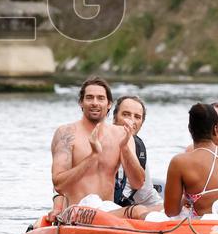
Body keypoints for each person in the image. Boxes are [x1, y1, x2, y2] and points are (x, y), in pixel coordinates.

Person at [49, 77, 138, 217]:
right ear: (81, 102)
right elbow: (59, 185)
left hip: (107, 213)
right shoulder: (66, 133)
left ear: (109, 104)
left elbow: (137, 183)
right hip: (75, 214)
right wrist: (93, 156)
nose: (95, 103)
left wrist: (125, 149)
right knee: (137, 211)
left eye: (100, 98)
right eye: (89, 98)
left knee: (149, 209)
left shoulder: (122, 134)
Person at [112, 96, 164, 218]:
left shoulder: (138, 148)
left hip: (123, 210)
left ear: (141, 123)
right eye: (126, 114)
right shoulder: (100, 141)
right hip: (100, 209)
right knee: (137, 211)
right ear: (114, 117)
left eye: (137, 117)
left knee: (176, 207)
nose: (131, 121)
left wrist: (167, 208)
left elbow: (145, 194)